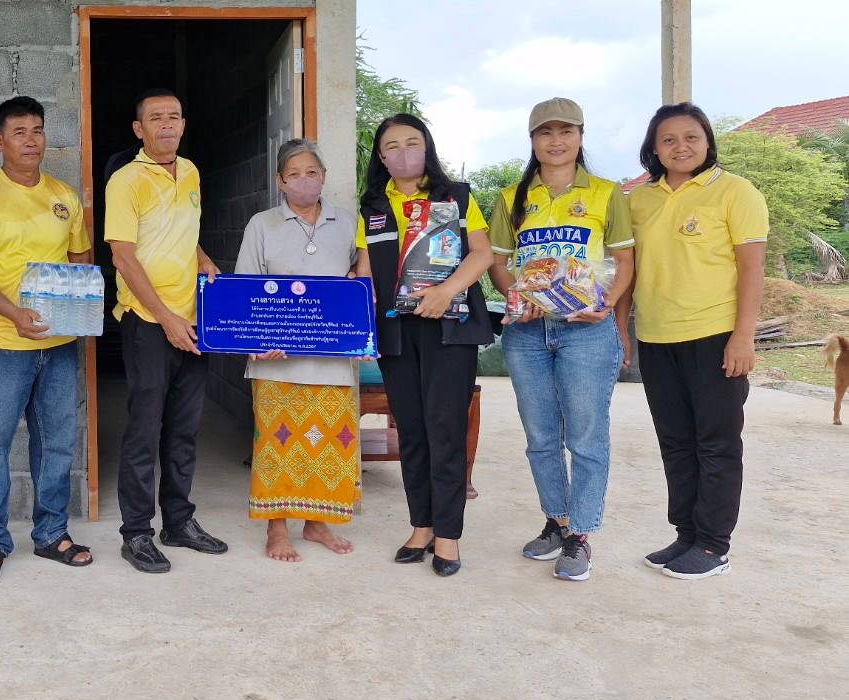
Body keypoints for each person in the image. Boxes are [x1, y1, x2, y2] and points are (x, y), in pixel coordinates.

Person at [486, 98, 635, 583]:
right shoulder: (512, 197)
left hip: (586, 330)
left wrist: (607, 304)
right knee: (541, 438)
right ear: (532, 141)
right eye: (545, 132)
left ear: (580, 136)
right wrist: (517, 299)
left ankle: (581, 535)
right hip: (528, 333)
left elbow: (624, 262)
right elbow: (498, 262)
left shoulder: (608, 194)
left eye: (565, 131)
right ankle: (557, 519)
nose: (556, 141)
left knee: (587, 437)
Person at [617, 102, 767, 580]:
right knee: (676, 443)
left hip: (716, 336)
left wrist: (743, 337)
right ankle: (685, 534)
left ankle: (713, 545)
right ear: (654, 148)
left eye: (691, 137)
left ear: (707, 142)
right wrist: (622, 329)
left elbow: (751, 269)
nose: (681, 147)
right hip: (658, 339)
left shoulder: (735, 193)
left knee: (716, 444)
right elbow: (628, 270)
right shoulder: (638, 200)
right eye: (668, 140)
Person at [0, 96, 95, 585]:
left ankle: (52, 533)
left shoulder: (63, 195)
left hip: (57, 343)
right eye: (19, 132)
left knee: (56, 443)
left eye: (37, 130)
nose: (31, 140)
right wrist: (14, 313)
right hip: (2, 342)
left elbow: (81, 259)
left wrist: (79, 309)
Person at [353, 114, 492, 577]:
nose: (403, 152)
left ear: (427, 147)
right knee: (410, 428)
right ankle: (422, 525)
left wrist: (447, 291)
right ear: (382, 156)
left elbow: (482, 253)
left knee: (444, 428)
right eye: (392, 145)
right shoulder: (373, 204)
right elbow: (365, 270)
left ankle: (448, 535)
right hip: (396, 331)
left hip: (449, 326)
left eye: (412, 142)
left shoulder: (458, 196)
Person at [104, 89, 225, 573]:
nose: (167, 125)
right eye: (156, 118)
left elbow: (186, 235)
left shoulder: (191, 172)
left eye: (174, 116)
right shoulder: (126, 180)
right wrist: (168, 319)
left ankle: (178, 521)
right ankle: (136, 532)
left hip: (194, 320)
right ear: (140, 129)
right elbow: (124, 256)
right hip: (148, 322)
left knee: (184, 429)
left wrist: (207, 262)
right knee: (143, 430)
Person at [235, 139, 362, 562]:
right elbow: (246, 287)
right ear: (280, 181)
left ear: (324, 176)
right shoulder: (262, 224)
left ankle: (316, 522)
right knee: (277, 446)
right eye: (294, 174)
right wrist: (257, 341)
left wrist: (361, 334)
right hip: (277, 361)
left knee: (329, 443)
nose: (304, 181)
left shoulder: (348, 223)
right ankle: (277, 529)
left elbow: (361, 285)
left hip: (332, 360)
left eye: (312, 172)